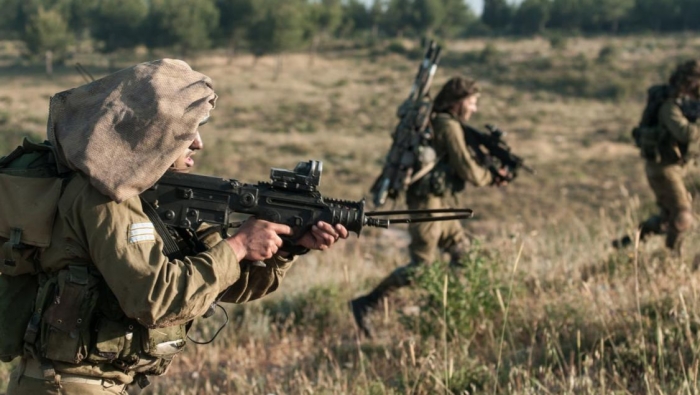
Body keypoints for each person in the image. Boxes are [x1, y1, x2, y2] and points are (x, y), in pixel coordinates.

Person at [4, 59, 348, 394]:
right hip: (67, 385)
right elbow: (156, 300)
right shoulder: (103, 198)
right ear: (153, 131)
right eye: (187, 131)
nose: (198, 142)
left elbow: (224, 285)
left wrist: (285, 245)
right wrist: (239, 245)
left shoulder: (154, 192)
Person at [350, 76, 506, 338]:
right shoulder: (447, 127)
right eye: (472, 102)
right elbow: (467, 168)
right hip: (426, 207)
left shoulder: (443, 123)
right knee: (421, 267)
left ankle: (439, 309)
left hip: (438, 204)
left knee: (464, 254)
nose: (474, 109)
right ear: (458, 102)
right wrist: (491, 177)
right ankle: (368, 303)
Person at [613, 60, 700, 252]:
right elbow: (685, 133)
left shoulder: (686, 105)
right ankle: (672, 257)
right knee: (683, 216)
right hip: (664, 169)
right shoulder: (669, 106)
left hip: (673, 167)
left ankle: (629, 242)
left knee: (667, 219)